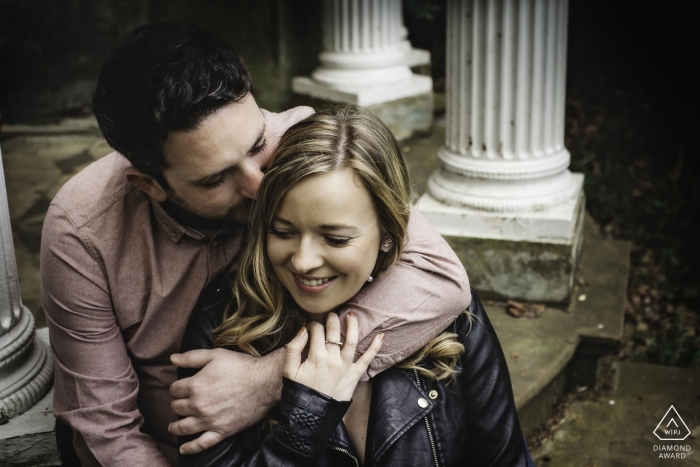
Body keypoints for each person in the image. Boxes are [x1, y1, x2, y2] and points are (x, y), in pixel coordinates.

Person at [40, 23, 471, 465]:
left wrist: (268, 381)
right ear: (149, 185)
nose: (259, 184)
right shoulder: (83, 230)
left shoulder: (308, 145)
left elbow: (439, 276)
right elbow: (105, 431)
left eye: (257, 144)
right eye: (215, 179)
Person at [178, 106, 533, 466]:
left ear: (388, 237)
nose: (302, 261)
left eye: (335, 239)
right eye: (282, 232)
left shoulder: (450, 317)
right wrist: (302, 421)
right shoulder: (221, 327)